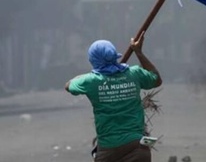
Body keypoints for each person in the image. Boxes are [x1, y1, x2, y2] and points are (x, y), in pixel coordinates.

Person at [65, 34, 162, 162]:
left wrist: (92, 74)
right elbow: (156, 79)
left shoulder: (91, 81)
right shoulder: (134, 73)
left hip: (109, 150)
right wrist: (139, 52)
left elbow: (68, 85)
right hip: (138, 146)